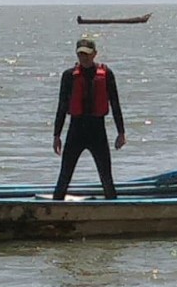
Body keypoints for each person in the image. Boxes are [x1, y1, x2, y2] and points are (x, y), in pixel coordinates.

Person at [52, 36, 126, 200]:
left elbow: (115, 103)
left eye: (87, 54)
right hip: (75, 130)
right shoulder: (69, 76)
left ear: (94, 54)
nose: (83, 57)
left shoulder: (106, 74)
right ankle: (54, 208)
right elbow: (62, 107)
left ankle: (114, 210)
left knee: (106, 177)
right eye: (80, 54)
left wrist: (121, 133)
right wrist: (56, 135)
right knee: (64, 176)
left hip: (97, 131)